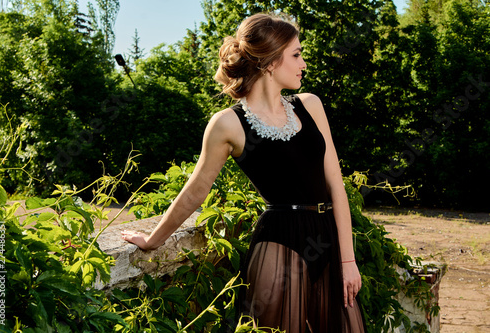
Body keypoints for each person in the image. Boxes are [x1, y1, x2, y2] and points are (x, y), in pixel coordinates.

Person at [121, 13, 367, 332]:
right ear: (269, 63)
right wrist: (153, 240)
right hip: (278, 246)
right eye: (296, 54)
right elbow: (196, 191)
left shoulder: (310, 105)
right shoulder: (227, 124)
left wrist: (348, 260)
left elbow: (336, 184)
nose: (303, 63)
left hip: (327, 242)